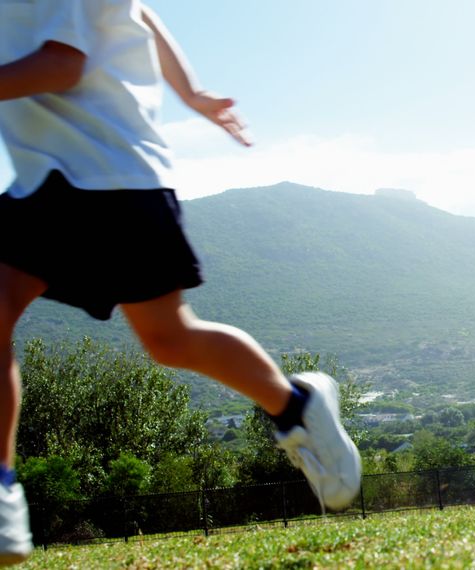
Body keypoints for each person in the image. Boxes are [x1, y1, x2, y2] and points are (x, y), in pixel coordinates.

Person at [0, 1, 360, 563]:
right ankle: (1, 488)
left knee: (169, 339)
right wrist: (190, 92)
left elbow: (62, 63)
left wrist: (191, 96)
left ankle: (296, 403)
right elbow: (138, 10)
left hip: (115, 176)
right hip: (42, 181)